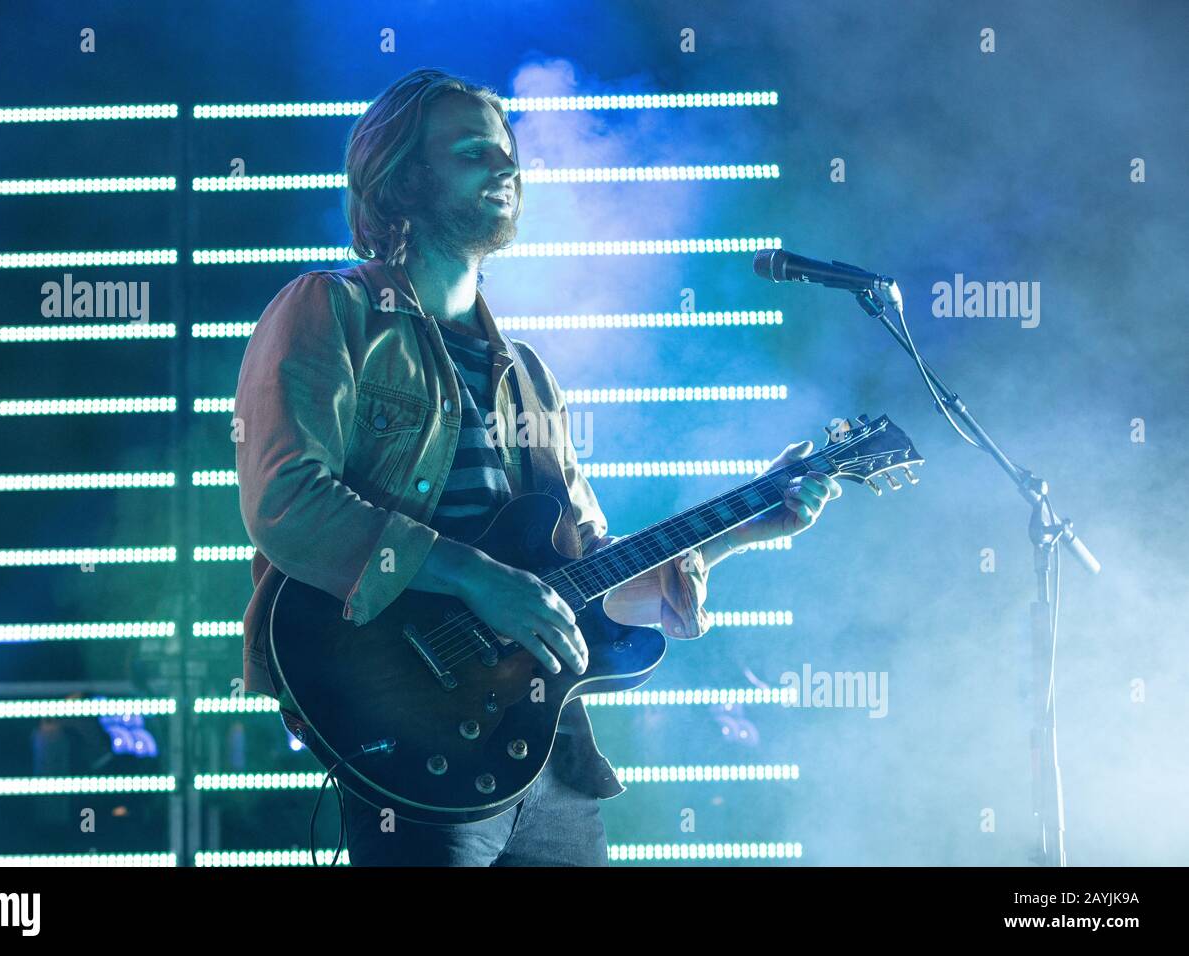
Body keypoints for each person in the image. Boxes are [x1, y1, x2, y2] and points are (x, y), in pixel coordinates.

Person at [234, 68, 841, 866]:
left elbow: (587, 576)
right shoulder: (332, 311)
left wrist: (749, 526)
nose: (507, 170)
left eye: (511, 155)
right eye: (474, 154)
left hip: (549, 753)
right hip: (409, 730)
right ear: (400, 177)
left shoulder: (531, 376)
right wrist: (475, 578)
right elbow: (287, 501)